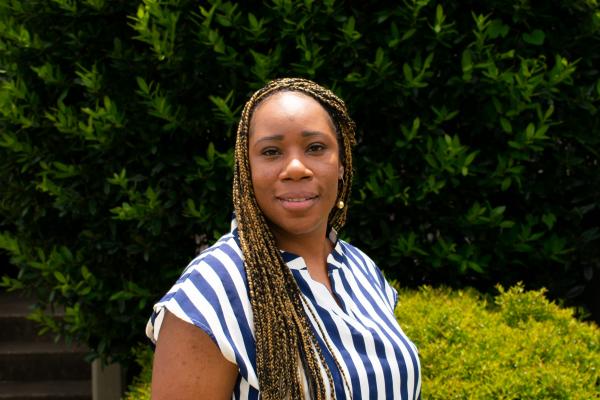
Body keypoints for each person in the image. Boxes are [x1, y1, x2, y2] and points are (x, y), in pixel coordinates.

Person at [146, 78, 421, 399]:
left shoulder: (361, 270)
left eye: (315, 148)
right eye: (271, 152)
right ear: (246, 169)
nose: (295, 168)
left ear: (342, 163)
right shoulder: (211, 290)